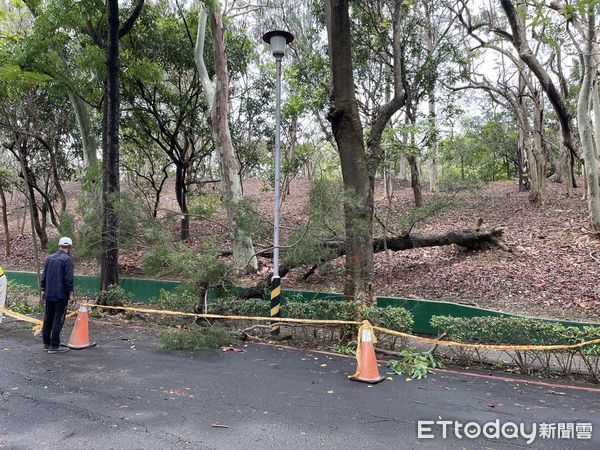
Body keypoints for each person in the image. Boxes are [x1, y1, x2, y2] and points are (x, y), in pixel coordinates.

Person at [41, 237, 74, 353]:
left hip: (49, 293)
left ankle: (46, 343)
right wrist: (71, 294)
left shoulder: (49, 258)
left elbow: (44, 276)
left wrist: (43, 289)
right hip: (61, 295)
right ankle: (54, 345)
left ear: (59, 246)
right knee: (58, 318)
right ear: (69, 247)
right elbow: (68, 279)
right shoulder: (67, 260)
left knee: (48, 317)